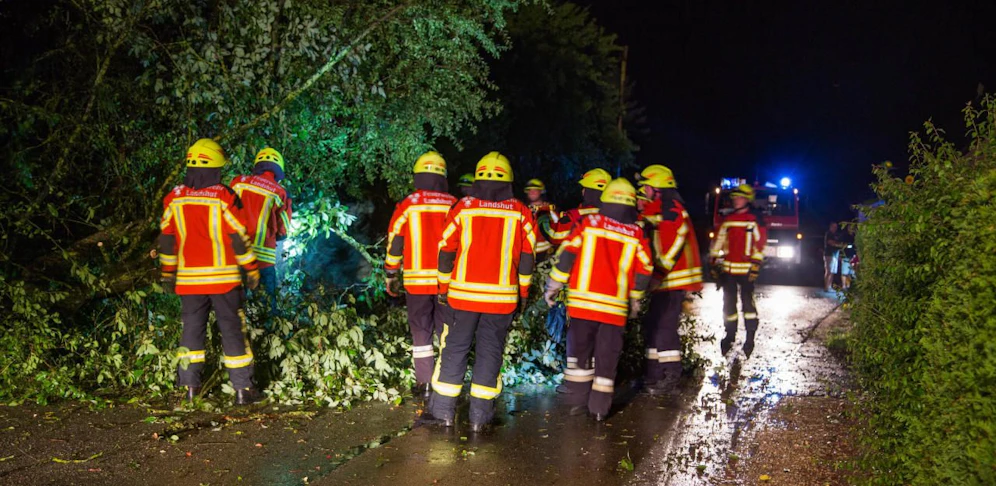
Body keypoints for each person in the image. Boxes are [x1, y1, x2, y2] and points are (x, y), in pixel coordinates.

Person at [429, 152, 538, 432]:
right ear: (509, 181)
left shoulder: (464, 207)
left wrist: (443, 287)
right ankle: (480, 418)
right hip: (501, 300)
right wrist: (523, 293)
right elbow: (527, 257)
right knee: (490, 354)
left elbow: (446, 249)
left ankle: (443, 413)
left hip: (462, 296)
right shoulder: (521, 212)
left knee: (455, 349)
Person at [159, 138, 262, 405]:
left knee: (191, 332)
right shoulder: (223, 197)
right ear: (216, 167)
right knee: (232, 333)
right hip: (224, 281)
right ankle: (243, 391)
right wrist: (251, 269)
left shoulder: (174, 197)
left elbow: (167, 239)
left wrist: (168, 273)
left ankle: (189, 389)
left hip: (189, 283)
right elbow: (239, 236)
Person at [544, 178, 652, 421]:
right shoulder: (636, 233)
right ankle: (600, 411)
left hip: (583, 306)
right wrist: (635, 299)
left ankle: (577, 401)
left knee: (579, 355)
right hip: (614, 310)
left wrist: (553, 285)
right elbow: (645, 268)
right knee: (607, 359)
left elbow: (567, 254)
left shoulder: (588, 223)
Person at [384, 152, 458, 399]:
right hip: (448, 283)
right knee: (446, 330)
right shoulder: (455, 204)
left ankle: (424, 383)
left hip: (417, 281)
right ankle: (447, 381)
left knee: (421, 332)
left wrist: (390, 272)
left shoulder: (409, 203)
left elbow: (396, 240)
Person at [636, 165, 703, 394]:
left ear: (659, 188)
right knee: (653, 325)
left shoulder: (672, 211)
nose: (643, 189)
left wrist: (656, 276)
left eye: (647, 185)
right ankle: (653, 375)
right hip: (662, 281)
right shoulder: (656, 208)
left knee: (665, 327)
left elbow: (671, 249)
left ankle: (671, 375)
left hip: (671, 281)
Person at [546, 168, 610, 394]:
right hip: (610, 289)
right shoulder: (615, 219)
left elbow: (556, 238)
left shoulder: (574, 216)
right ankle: (600, 381)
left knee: (578, 336)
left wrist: (551, 216)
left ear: (586, 191)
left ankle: (577, 385)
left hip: (581, 286)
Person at [230, 148, 292, 313]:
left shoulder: (238, 182)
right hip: (262, 259)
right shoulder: (281, 193)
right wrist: (277, 236)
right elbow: (283, 229)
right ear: (278, 169)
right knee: (265, 309)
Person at [709, 184, 766, 358]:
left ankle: (750, 338)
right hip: (728, 270)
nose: (735, 200)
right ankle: (730, 335)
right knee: (729, 305)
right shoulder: (728, 219)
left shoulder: (754, 220)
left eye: (739, 197)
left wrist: (756, 264)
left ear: (747, 200)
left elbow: (760, 243)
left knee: (748, 305)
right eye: (734, 198)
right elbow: (719, 241)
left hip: (747, 270)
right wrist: (712, 261)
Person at [523, 178, 556, 256]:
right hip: (526, 252)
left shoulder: (549, 209)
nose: (532, 192)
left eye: (535, 190)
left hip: (545, 253)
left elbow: (557, 228)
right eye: (529, 190)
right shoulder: (522, 209)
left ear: (541, 191)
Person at [823, 222, 844, 291]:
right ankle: (826, 286)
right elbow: (831, 242)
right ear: (830, 227)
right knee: (828, 271)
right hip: (829, 254)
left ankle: (829, 286)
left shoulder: (837, 235)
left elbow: (839, 243)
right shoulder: (828, 234)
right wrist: (838, 244)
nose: (835, 228)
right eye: (834, 227)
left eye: (836, 227)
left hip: (835, 255)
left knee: (833, 272)